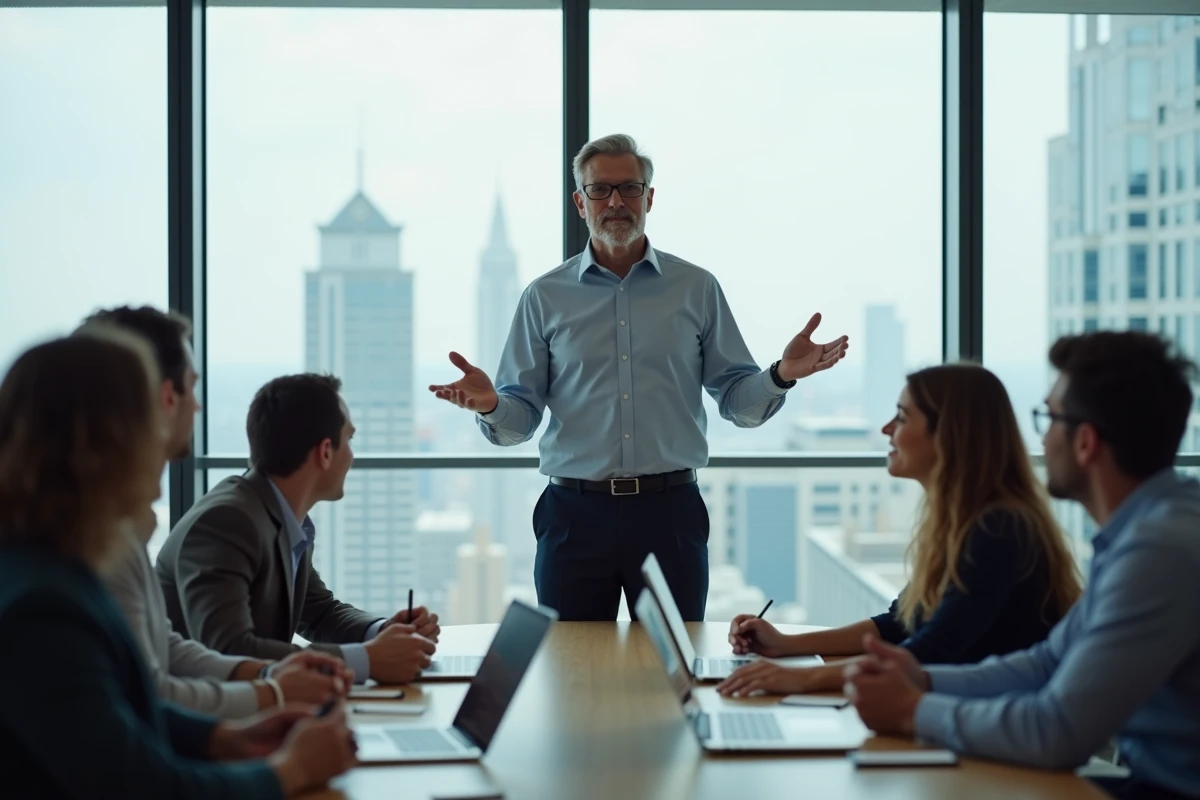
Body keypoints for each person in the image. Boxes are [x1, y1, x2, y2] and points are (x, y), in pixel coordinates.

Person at [429, 133, 850, 622]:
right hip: (573, 515)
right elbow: (518, 424)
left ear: (649, 197)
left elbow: (737, 402)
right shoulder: (544, 297)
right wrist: (491, 405)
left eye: (629, 188)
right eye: (599, 190)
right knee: (574, 673)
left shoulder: (696, 289)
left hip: (670, 513)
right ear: (579, 203)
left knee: (672, 671)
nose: (615, 201)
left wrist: (780, 375)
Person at [845, 332, 1200, 800]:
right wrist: (923, 679)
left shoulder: (1158, 552)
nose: (1041, 436)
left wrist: (914, 710)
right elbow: (1048, 662)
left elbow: (1057, 732)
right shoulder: (1148, 528)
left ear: (1085, 443)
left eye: (1049, 418)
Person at [0, 331, 355, 798]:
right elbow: (148, 787)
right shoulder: (43, 609)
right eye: (151, 423)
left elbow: (122, 708)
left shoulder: (54, 568)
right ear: (106, 448)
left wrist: (227, 738)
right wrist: (290, 769)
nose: (164, 446)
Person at [719, 363, 1082, 698]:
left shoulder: (998, 528)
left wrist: (800, 679)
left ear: (950, 435)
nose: (887, 429)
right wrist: (785, 644)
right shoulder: (962, 520)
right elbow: (899, 626)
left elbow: (928, 653)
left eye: (903, 417)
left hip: (999, 734)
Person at [83, 306, 352, 717]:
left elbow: (165, 650)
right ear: (163, 398)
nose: (198, 407)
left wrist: (279, 680)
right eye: (190, 388)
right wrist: (277, 696)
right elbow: (153, 693)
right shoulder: (228, 520)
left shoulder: (117, 529)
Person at [157, 373, 440, 685]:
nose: (352, 456)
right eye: (349, 440)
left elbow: (319, 613)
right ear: (325, 451)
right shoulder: (227, 521)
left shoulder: (280, 515)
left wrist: (381, 633)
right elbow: (228, 649)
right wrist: (367, 660)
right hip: (200, 719)